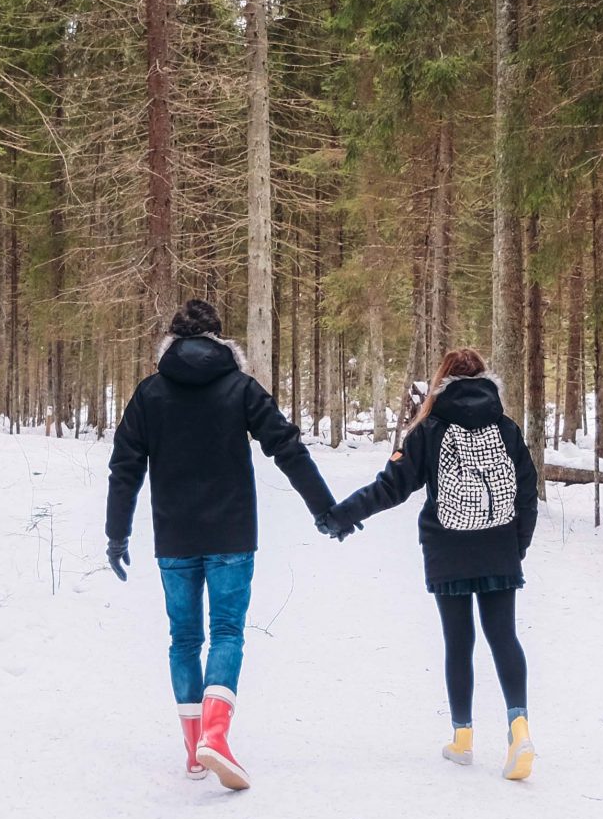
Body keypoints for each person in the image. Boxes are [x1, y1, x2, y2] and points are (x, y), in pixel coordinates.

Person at [107, 299, 340, 789]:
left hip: (175, 536)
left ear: (171, 341)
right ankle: (217, 732)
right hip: (232, 533)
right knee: (228, 632)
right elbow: (287, 446)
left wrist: (117, 531)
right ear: (219, 339)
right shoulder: (240, 388)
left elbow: (125, 465)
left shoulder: (150, 393)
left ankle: (195, 750)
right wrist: (323, 507)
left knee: (185, 639)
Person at [327, 348, 541, 781]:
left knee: (458, 642)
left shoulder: (430, 428)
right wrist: (515, 547)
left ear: (441, 381)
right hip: (498, 545)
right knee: (504, 637)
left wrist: (341, 515)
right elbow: (527, 491)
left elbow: (392, 487)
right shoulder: (505, 427)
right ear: (485, 379)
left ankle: (462, 740)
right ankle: (519, 729)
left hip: (448, 549)